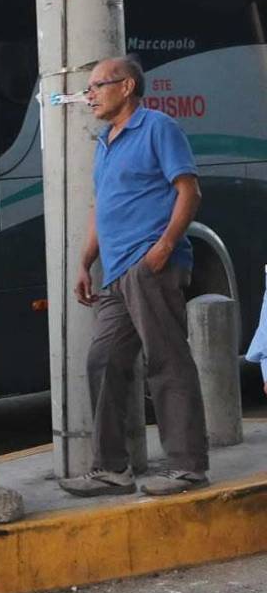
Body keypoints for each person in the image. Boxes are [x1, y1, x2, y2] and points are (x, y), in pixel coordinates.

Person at [61, 56, 208, 498]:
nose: (89, 96)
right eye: (88, 88)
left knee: (166, 361)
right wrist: (85, 261)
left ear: (126, 87)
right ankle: (111, 470)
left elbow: (189, 191)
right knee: (103, 360)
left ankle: (187, 467)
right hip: (116, 271)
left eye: (97, 86)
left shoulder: (158, 128)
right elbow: (101, 207)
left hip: (150, 266)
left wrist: (163, 248)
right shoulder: (105, 141)